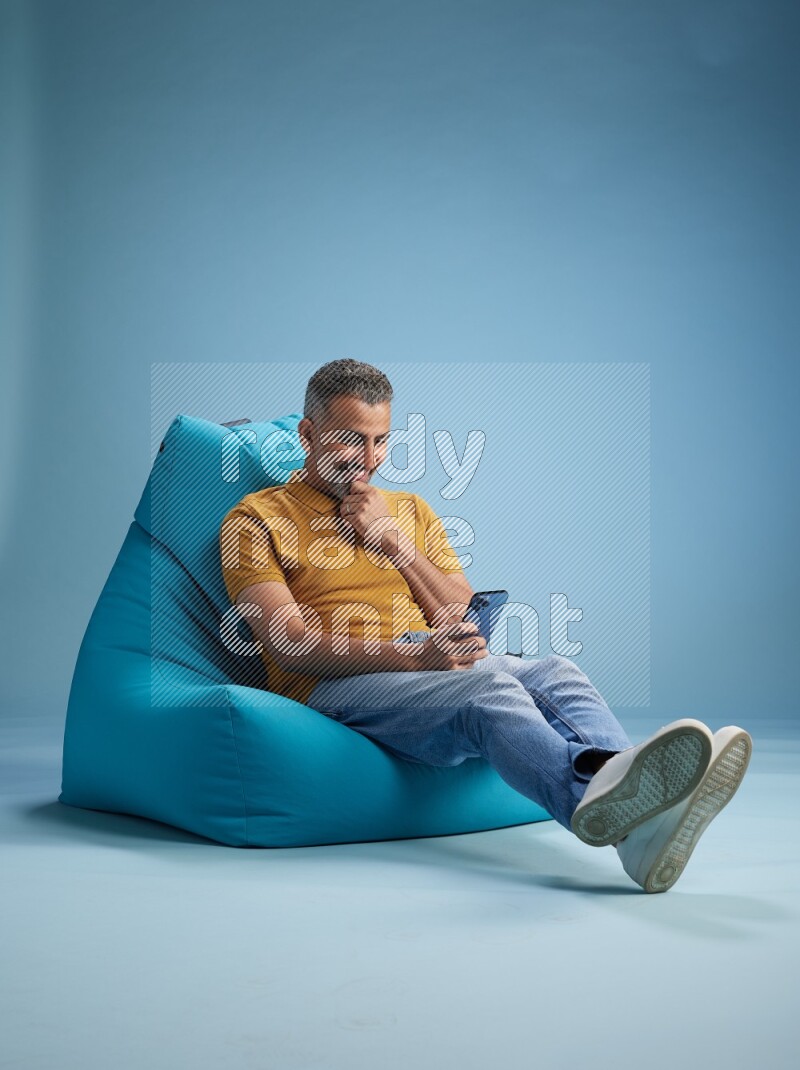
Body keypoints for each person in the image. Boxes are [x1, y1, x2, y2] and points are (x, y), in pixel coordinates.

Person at [219, 359, 752, 893]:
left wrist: (394, 543)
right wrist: (416, 657)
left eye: (381, 441)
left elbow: (458, 613)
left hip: (425, 661)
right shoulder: (256, 518)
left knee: (557, 671)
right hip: (332, 685)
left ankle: (642, 810)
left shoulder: (408, 511)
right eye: (351, 440)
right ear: (308, 435)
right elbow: (288, 643)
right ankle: (613, 812)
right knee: (489, 693)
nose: (370, 459)